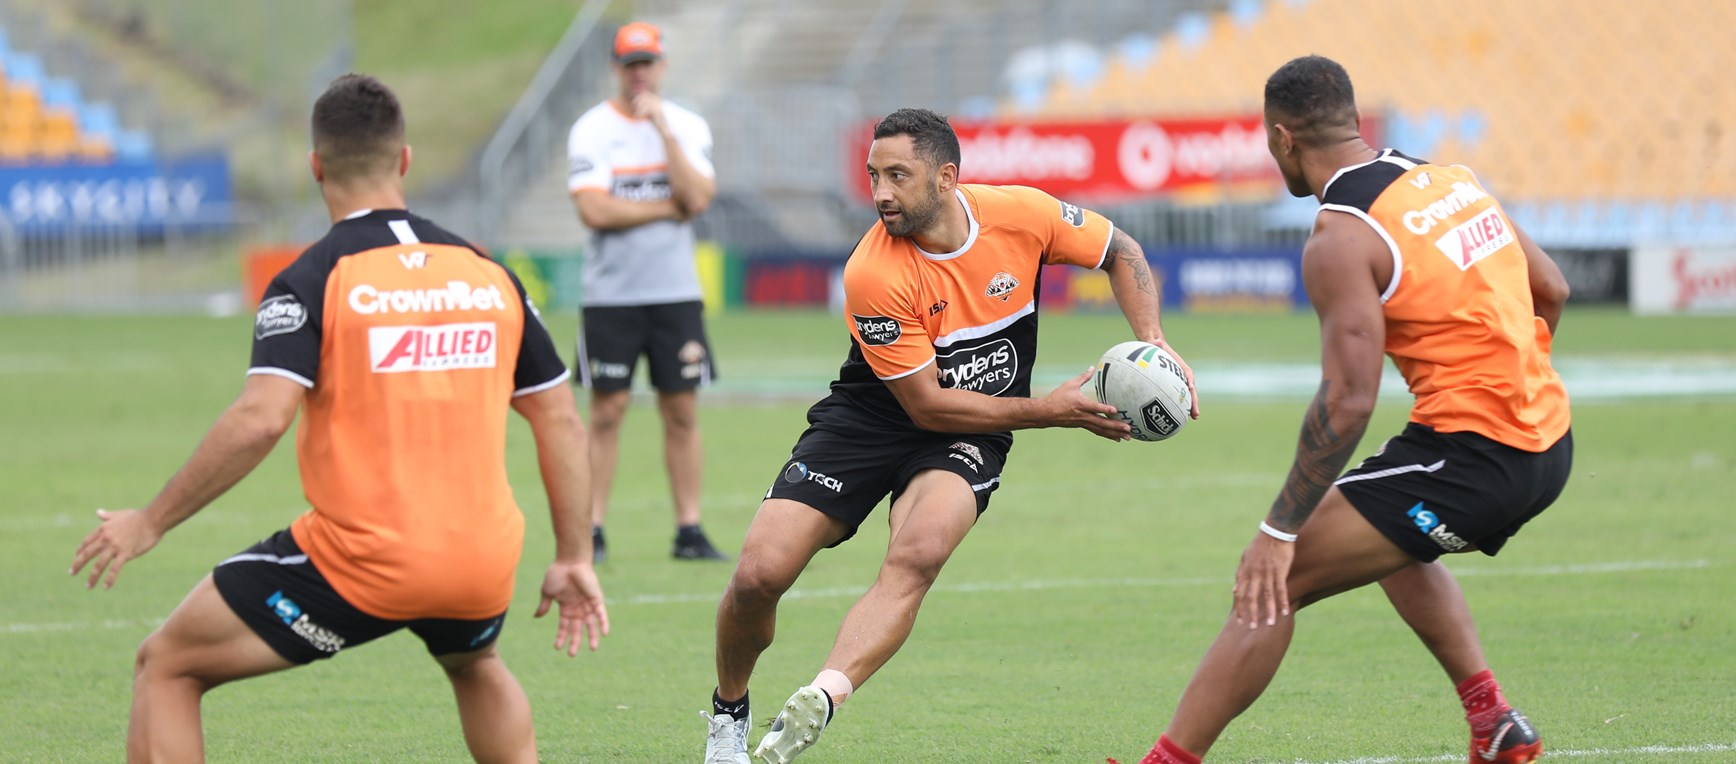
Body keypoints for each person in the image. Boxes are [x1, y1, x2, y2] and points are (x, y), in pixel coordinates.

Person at [69, 74, 609, 763]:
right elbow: (559, 418)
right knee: (472, 662)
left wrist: (150, 520)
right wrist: (572, 557)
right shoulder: (488, 274)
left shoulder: (314, 278)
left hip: (366, 559)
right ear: (404, 159)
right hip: (480, 558)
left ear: (315, 165)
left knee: (167, 664)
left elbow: (261, 420)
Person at [702, 107, 1200, 764]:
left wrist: (1153, 342)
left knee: (919, 554)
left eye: (898, 175)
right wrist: (1048, 410)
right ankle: (728, 716)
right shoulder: (872, 272)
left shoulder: (1022, 215)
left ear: (946, 177)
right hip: (874, 418)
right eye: (874, 175)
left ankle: (822, 695)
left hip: (970, 432)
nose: (881, 192)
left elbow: (1121, 251)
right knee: (757, 575)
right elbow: (929, 405)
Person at [1122, 56, 1571, 764]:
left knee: (1275, 580)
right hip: (1549, 440)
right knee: (1384, 530)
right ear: (1352, 121)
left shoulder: (1341, 234)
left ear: (1281, 139)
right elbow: (1551, 289)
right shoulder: (1452, 181)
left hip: (1479, 456)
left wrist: (1278, 529)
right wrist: (1510, 385)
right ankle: (1494, 722)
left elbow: (1348, 400)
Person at [565, 21, 725, 562]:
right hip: (610, 296)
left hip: (675, 292)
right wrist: (666, 208)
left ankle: (689, 529)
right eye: (630, 64)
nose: (639, 74)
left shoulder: (684, 124)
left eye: (647, 63)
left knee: (681, 411)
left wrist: (663, 132)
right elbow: (594, 209)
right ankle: (591, 530)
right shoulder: (591, 129)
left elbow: (699, 197)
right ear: (615, 67)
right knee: (606, 411)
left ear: (661, 65)